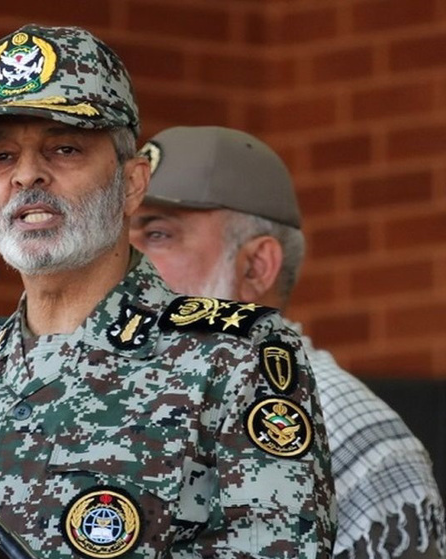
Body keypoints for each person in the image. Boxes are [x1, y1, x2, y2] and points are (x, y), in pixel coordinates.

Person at [0, 24, 335, 558]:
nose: (27, 177)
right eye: (0, 158)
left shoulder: (234, 355)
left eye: (64, 148)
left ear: (131, 183)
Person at [129, 125, 446, 559]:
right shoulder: (109, 396)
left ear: (257, 267)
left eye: (158, 234)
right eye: (121, 236)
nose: (125, 260)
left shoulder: (351, 437)